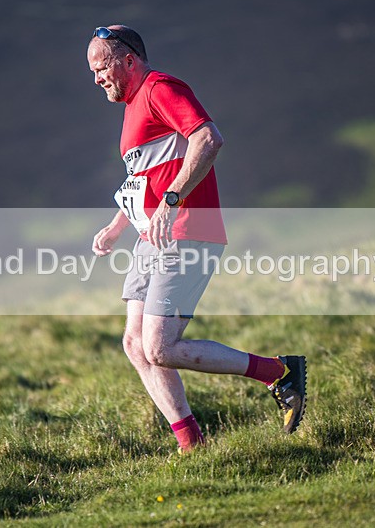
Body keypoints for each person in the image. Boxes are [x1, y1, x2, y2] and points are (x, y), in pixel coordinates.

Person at [87, 25, 307, 451]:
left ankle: (278, 372)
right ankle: (192, 446)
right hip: (152, 237)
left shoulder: (160, 88)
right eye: (92, 71)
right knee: (135, 345)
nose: (97, 78)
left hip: (188, 230)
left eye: (101, 67)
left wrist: (172, 200)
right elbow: (143, 179)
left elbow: (208, 138)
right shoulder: (134, 107)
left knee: (160, 347)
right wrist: (117, 227)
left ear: (128, 59)